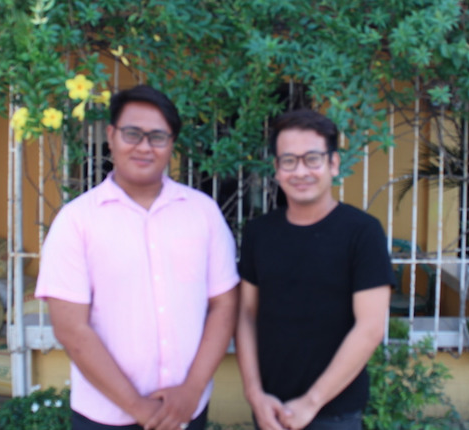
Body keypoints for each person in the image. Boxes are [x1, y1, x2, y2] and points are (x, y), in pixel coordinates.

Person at [36, 85, 240, 430]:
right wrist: (139, 409)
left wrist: (191, 391)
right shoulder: (76, 221)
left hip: (186, 410)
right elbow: (71, 328)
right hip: (104, 416)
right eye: (133, 133)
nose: (145, 146)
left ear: (172, 144)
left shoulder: (203, 213)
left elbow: (224, 305)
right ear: (112, 136)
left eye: (158, 137)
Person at [236, 109, 393, 430]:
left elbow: (371, 327)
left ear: (333, 163)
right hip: (269, 407)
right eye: (289, 160)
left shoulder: (362, 232)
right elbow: (246, 315)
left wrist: (310, 403)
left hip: (335, 412)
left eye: (312, 158)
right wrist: (254, 394)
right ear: (277, 170)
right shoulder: (259, 232)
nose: (300, 171)